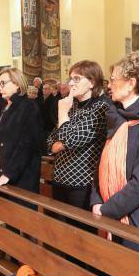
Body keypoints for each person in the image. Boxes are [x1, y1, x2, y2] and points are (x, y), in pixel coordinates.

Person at [90, 52, 139, 257]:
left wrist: (106, 209)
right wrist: (96, 200)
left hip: (138, 221)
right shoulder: (117, 118)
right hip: (109, 213)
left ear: (131, 83)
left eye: (114, 80)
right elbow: (102, 164)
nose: (109, 85)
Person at [47, 60, 108, 215]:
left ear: (92, 82)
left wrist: (62, 113)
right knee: (59, 230)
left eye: (77, 79)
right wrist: (58, 144)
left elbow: (72, 140)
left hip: (82, 182)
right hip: (60, 177)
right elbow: (50, 140)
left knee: (80, 233)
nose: (71, 83)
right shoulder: (72, 106)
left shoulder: (100, 107)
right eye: (70, 79)